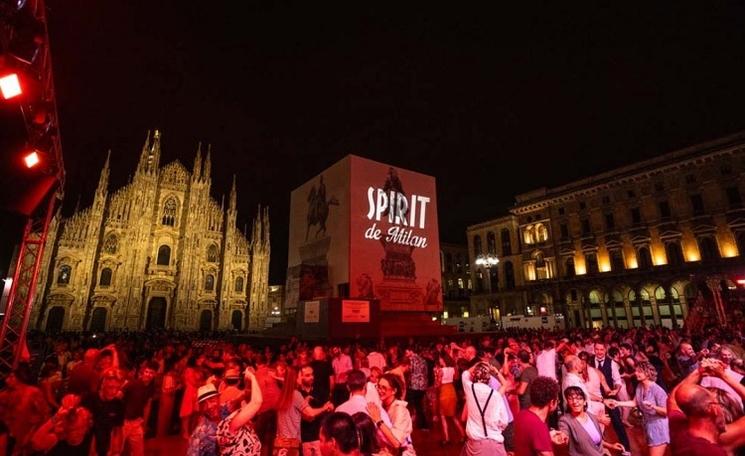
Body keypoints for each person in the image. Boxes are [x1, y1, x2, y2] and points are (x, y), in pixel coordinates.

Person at [606, 361, 669, 456]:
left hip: (658, 427)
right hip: (648, 425)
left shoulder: (658, 391)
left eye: (639, 371)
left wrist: (653, 407)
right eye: (636, 371)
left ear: (647, 373)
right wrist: (617, 403)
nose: (636, 373)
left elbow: (666, 412)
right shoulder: (640, 386)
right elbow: (634, 402)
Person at [275, 366, 333, 456]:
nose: (301, 379)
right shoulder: (296, 394)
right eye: (299, 376)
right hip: (291, 442)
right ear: (295, 379)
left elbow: (293, 411)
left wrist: (304, 401)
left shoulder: (283, 393)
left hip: (280, 442)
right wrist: (324, 407)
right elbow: (310, 413)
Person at [558, 386, 625, 456]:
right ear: (567, 403)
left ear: (584, 402)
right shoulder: (565, 421)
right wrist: (562, 437)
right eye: (570, 399)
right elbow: (564, 433)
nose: (575, 402)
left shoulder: (591, 416)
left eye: (579, 398)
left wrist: (611, 446)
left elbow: (594, 441)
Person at [461, 362, 509, 456]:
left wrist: (478, 363)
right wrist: (496, 372)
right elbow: (504, 421)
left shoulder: (469, 388)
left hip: (474, 445)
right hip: (493, 444)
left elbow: (465, 374)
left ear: (474, 376)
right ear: (489, 379)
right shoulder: (496, 395)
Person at [590, 341, 630, 451]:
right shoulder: (589, 361)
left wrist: (616, 390)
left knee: (617, 422)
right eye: (597, 349)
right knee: (594, 424)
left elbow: (617, 381)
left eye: (601, 349)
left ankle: (626, 449)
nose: (599, 352)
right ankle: (597, 449)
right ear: (594, 349)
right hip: (594, 398)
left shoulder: (611, 363)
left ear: (605, 350)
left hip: (609, 396)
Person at [513, 376, 567, 456]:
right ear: (552, 403)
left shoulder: (522, 414)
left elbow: (529, 440)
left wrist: (547, 437)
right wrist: (561, 448)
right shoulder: (539, 426)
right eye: (557, 401)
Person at [216, 368, 263, 456]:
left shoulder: (221, 395)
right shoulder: (232, 424)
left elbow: (247, 394)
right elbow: (256, 402)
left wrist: (248, 379)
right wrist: (252, 377)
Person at [367, 373, 416, 456]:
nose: (379, 390)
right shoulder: (382, 406)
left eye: (384, 388)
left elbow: (396, 443)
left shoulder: (400, 410)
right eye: (378, 387)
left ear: (394, 391)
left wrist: (379, 421)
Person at [85, 367, 125, 456]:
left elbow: (117, 429)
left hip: (104, 447)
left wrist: (116, 452)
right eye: (110, 387)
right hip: (86, 446)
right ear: (103, 384)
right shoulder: (90, 399)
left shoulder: (118, 404)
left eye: (117, 388)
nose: (113, 392)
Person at [121, 361, 157, 456]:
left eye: (151, 373)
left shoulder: (151, 387)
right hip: (124, 421)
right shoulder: (133, 384)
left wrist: (144, 424)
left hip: (137, 422)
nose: (148, 375)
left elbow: (147, 406)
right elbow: (119, 395)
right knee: (116, 450)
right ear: (143, 372)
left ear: (154, 375)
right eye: (147, 372)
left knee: (139, 452)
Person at [435, 352, 465, 445]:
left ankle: (446, 439)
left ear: (443, 359)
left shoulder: (440, 370)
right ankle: (463, 435)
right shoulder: (453, 369)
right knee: (453, 416)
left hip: (444, 392)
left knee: (443, 416)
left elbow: (438, 385)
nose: (439, 360)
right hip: (452, 391)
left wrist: (436, 376)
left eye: (440, 358)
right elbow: (456, 379)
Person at [187, 383, 222, 456]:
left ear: (218, 399)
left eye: (212, 400)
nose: (209, 406)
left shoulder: (225, 412)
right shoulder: (201, 432)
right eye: (204, 404)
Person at [404, 347, 429, 430]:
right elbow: (426, 372)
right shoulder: (423, 359)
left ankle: (407, 423)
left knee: (407, 404)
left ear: (411, 351)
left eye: (407, 352)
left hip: (413, 385)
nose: (406, 354)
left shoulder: (411, 360)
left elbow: (409, 371)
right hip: (422, 386)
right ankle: (423, 425)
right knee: (419, 406)